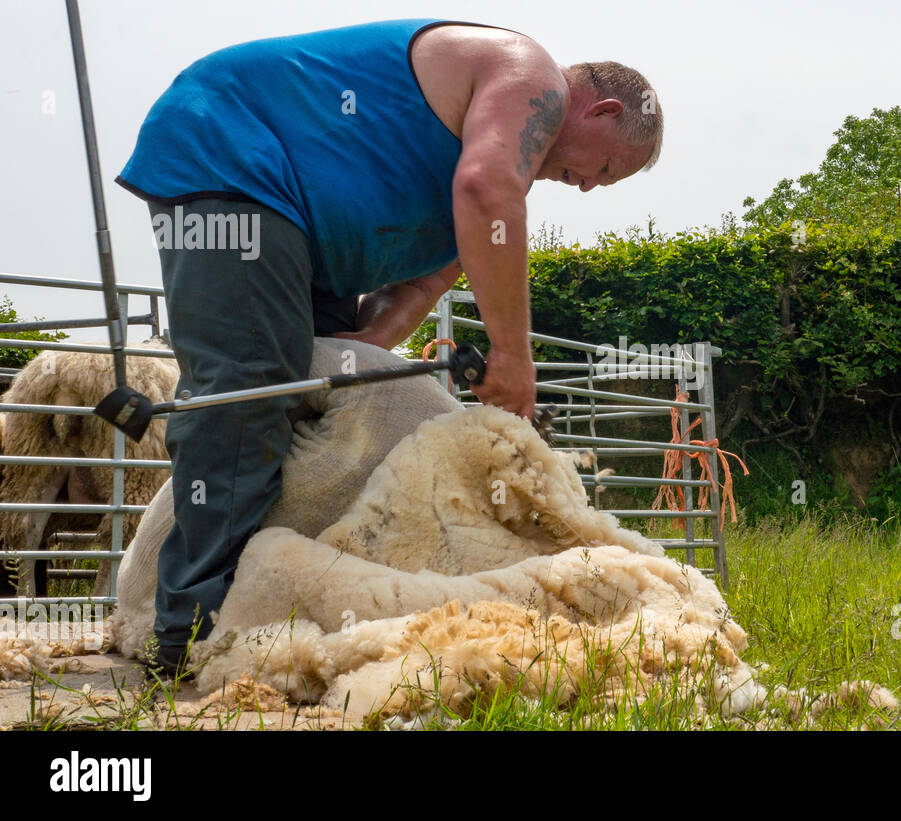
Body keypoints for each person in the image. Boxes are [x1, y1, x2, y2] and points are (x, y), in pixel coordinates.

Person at [114, 18, 663, 671]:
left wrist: (370, 343)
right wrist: (514, 357)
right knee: (252, 392)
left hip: (305, 236)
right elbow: (486, 191)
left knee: (310, 399)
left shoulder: (483, 163)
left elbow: (422, 283)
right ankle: (183, 635)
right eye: (603, 167)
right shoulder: (529, 73)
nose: (589, 186)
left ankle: (260, 608)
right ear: (601, 108)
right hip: (232, 152)